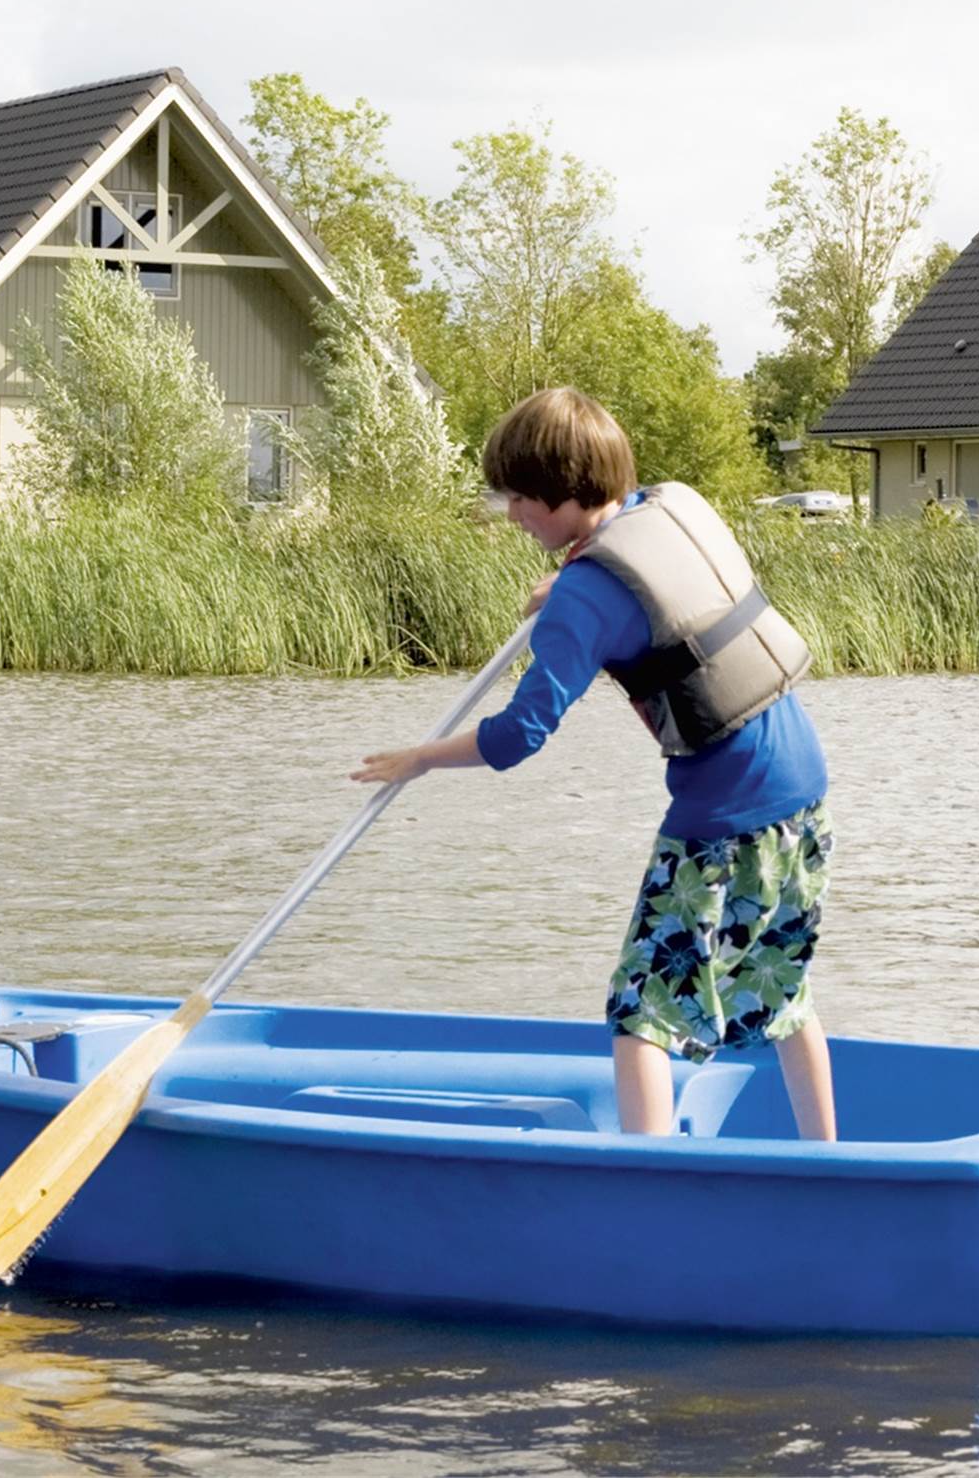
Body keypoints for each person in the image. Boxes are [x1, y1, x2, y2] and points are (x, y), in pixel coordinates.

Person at [351, 388, 838, 1141]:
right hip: (804, 795)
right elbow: (634, 572)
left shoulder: (584, 598)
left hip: (727, 817)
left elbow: (519, 735)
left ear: (565, 491)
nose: (513, 514)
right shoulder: (661, 507)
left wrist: (421, 758)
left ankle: (647, 1179)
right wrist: (571, 576)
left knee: (641, 1014)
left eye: (521, 498)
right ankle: (824, 1156)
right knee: (780, 992)